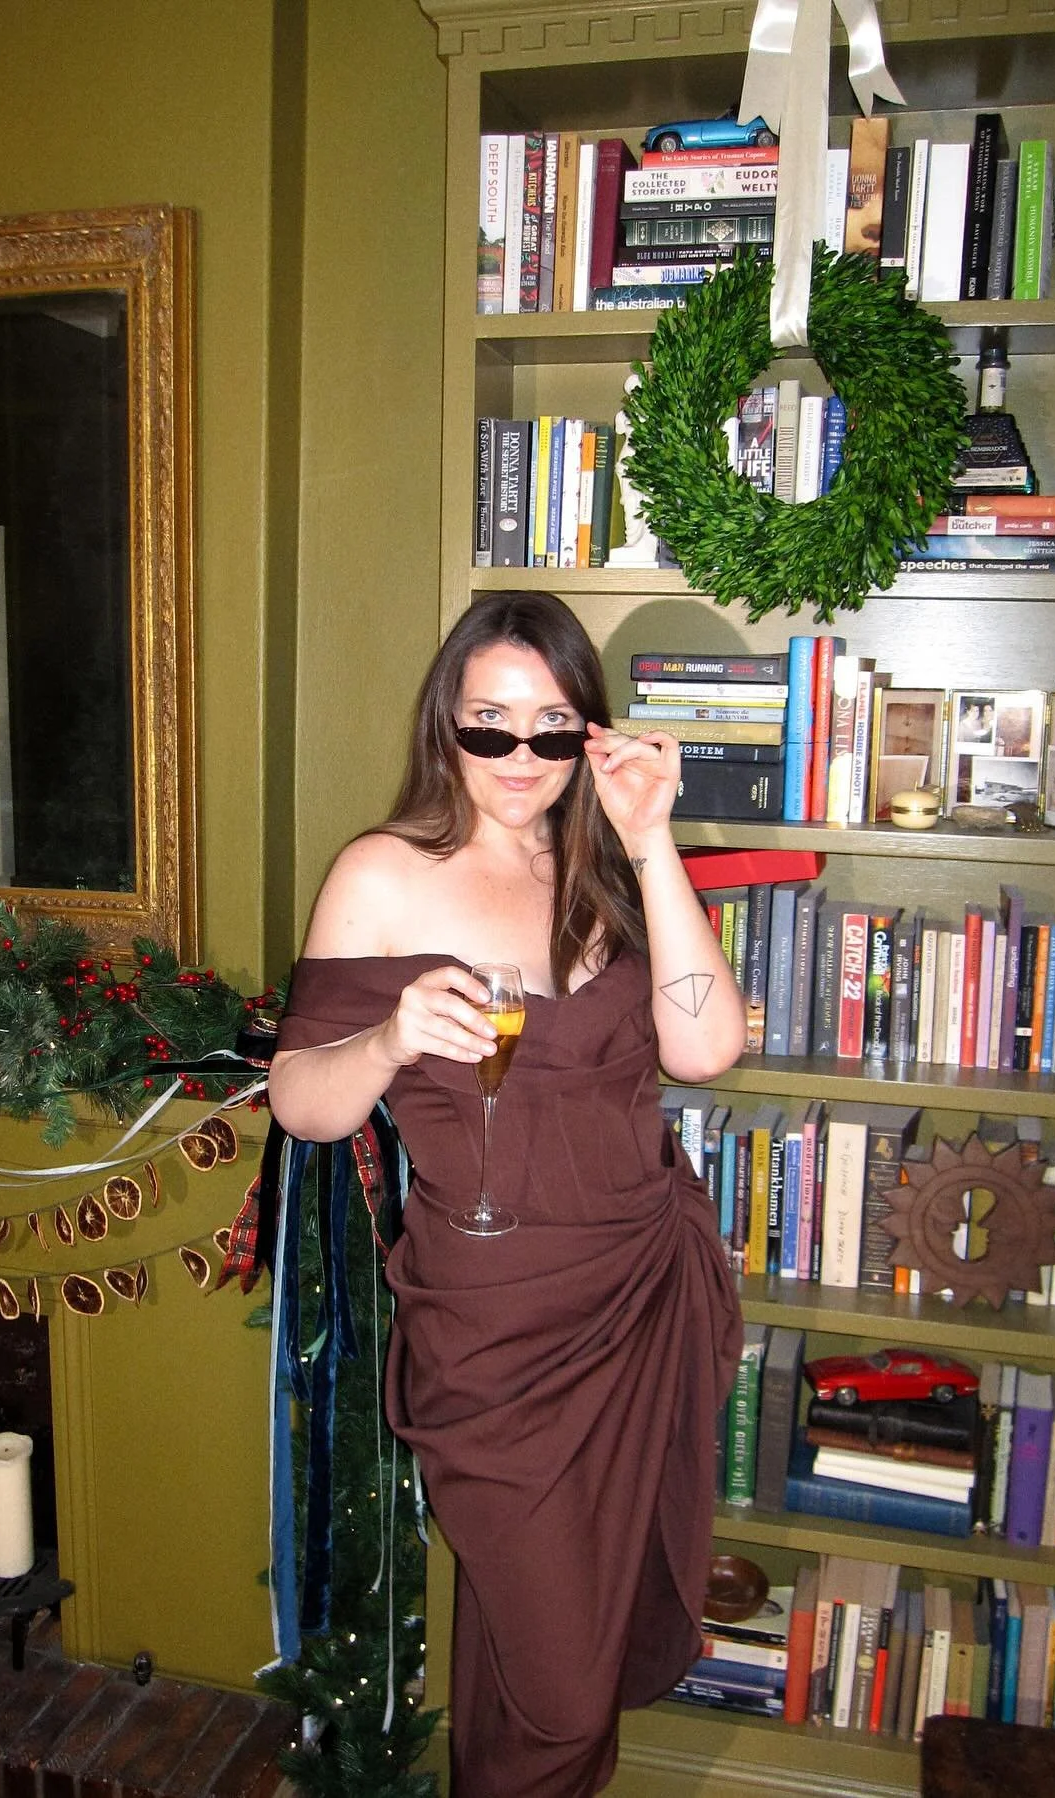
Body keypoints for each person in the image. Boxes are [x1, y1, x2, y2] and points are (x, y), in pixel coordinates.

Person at [269, 591, 745, 1797]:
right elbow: (301, 1102)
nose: (519, 755)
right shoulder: (384, 872)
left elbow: (705, 1051)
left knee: (555, 1644)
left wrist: (652, 838)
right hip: (492, 1330)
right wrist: (388, 1037)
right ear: (448, 723)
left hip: (634, 1295)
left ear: (589, 733)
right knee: (562, 1681)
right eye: (490, 723)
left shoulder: (612, 865)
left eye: (551, 726)